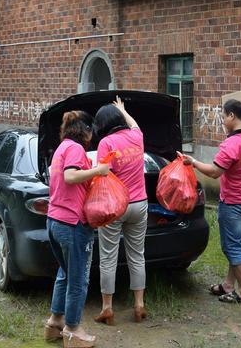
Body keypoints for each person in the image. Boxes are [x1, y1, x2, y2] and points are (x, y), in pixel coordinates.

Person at [181, 99, 241, 304]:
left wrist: (193, 162)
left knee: (232, 247)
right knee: (238, 243)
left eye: (223, 116)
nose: (222, 121)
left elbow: (214, 172)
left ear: (232, 116)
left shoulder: (232, 144)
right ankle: (228, 285)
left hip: (234, 203)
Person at [44, 111, 109, 348]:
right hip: (71, 224)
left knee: (65, 273)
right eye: (92, 133)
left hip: (54, 220)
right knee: (78, 280)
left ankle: (54, 323)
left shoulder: (61, 148)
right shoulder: (75, 149)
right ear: (87, 131)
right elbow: (71, 176)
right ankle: (73, 330)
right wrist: (98, 171)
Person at [92, 96, 149, 325]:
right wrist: (123, 110)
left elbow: (102, 173)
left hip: (115, 206)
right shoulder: (137, 136)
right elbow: (134, 124)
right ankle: (139, 305)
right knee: (137, 256)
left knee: (108, 257)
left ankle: (107, 308)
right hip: (140, 204)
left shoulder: (106, 143)